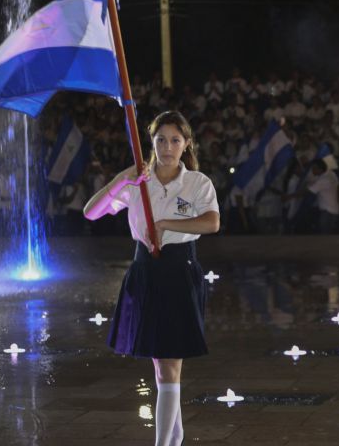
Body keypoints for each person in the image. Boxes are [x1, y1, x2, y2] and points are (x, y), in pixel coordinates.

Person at [83, 111, 220, 446]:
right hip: (145, 271)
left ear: (186, 144)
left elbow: (211, 222)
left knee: (169, 365)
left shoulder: (196, 182)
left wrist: (165, 224)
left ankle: (164, 443)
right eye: (161, 140)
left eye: (175, 140)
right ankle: (175, 437)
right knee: (161, 366)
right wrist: (123, 178)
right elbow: (91, 212)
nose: (167, 147)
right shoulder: (138, 183)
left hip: (179, 270)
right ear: (151, 142)